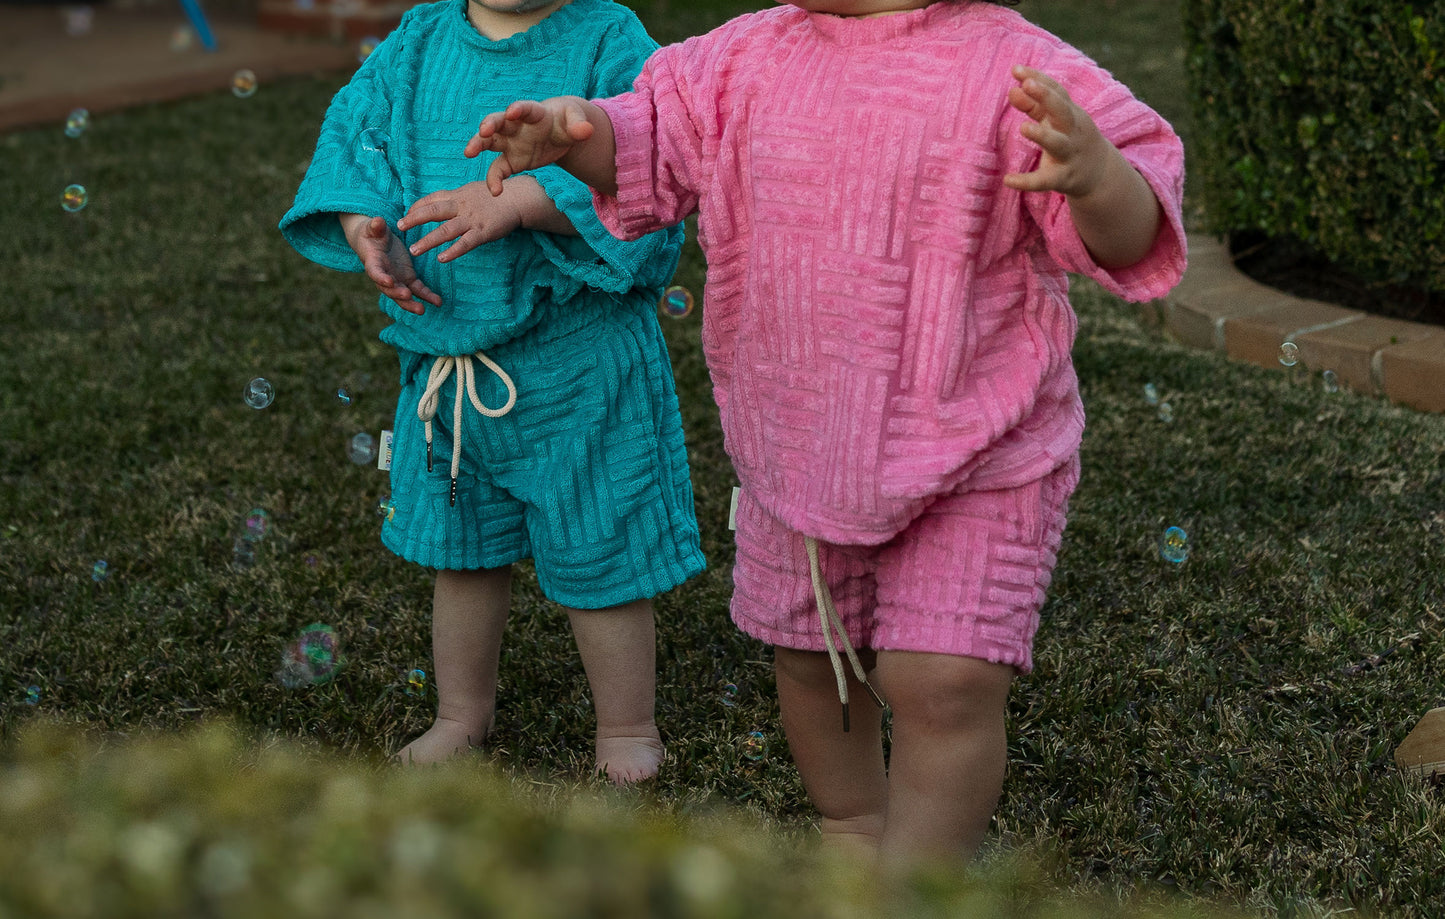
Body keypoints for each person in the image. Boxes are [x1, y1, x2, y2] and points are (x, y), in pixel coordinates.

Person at [463, 0, 1187, 859]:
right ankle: (851, 821)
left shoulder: (1015, 64)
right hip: (798, 439)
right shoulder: (742, 56)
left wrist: (1098, 176)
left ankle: (914, 881)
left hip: (977, 443)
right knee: (812, 661)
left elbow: (1133, 229)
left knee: (943, 681)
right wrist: (575, 138)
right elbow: (651, 137)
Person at [279, 0, 706, 784]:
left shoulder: (610, 40)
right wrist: (362, 227)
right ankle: (459, 714)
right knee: (461, 550)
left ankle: (625, 725)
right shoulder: (418, 41)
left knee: (598, 547)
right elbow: (355, 136)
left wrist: (516, 203)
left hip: (579, 359)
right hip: (448, 360)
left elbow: (648, 171)